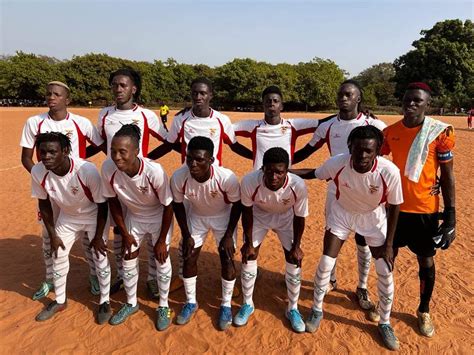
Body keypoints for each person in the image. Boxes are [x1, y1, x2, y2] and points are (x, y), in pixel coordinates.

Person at [292, 125, 402, 350]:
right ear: (350, 147)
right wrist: (286, 170)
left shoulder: (389, 171)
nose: (362, 156)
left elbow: (395, 206)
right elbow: (314, 173)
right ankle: (316, 310)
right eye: (358, 150)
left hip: (373, 219)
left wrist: (389, 244)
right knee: (325, 263)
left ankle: (385, 322)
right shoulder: (338, 163)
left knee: (384, 271)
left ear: (378, 151)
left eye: (369, 151)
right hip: (341, 214)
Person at [293, 80, 387, 317]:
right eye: (340, 94)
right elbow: (308, 150)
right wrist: (282, 163)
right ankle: (330, 280)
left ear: (358, 99)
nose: (343, 98)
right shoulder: (328, 126)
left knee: (363, 242)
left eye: (349, 95)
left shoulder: (374, 124)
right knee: (332, 237)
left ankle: (362, 287)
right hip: (336, 191)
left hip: (366, 194)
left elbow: (385, 157)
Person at [148, 77, 252, 293]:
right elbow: (169, 145)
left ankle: (228, 280)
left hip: (215, 185)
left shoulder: (221, 120)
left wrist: (258, 158)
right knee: (185, 236)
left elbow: (233, 145)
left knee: (224, 242)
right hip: (189, 186)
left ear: (211, 95)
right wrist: (145, 158)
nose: (198, 97)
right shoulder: (181, 120)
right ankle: (180, 275)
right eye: (195, 93)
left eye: (203, 93)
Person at [381, 82, 456, 338]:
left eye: (417, 101)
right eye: (407, 99)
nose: (411, 104)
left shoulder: (439, 133)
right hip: (395, 208)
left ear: (428, 105)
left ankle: (423, 309)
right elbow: (376, 161)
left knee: (425, 260)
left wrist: (451, 215)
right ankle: (385, 306)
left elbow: (447, 176)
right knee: (388, 257)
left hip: (425, 209)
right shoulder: (390, 132)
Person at [20, 81, 105, 301]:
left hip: (77, 189)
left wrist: (82, 164)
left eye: (57, 94)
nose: (51, 97)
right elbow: (26, 158)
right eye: (48, 94)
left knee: (87, 235)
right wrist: (45, 182)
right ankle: (50, 278)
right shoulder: (34, 122)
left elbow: (100, 145)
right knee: (49, 236)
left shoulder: (81, 122)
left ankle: (94, 275)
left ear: (67, 99)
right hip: (51, 190)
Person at [97, 68, 168, 299]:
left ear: (133, 89)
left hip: (140, 182)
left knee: (149, 234)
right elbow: (101, 143)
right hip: (117, 180)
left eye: (123, 85)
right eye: (115, 85)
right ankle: (122, 274)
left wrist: (148, 163)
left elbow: (168, 141)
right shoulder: (104, 114)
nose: (118, 89)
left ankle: (151, 279)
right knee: (120, 231)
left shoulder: (147, 115)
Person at [32, 132, 111, 324]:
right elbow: (44, 204)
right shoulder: (38, 171)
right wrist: (53, 236)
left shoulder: (86, 170)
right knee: (57, 254)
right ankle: (60, 300)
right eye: (42, 152)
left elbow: (102, 205)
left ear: (65, 151)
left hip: (93, 215)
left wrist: (99, 237)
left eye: (52, 152)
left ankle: (105, 301)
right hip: (68, 217)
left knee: (99, 255)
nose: (46, 157)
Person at [101, 124, 174, 329]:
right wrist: (124, 232)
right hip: (134, 217)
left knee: (161, 258)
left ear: (136, 151)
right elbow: (112, 201)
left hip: (159, 216)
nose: (116, 157)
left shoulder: (154, 171)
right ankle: (131, 302)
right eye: (113, 151)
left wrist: (161, 240)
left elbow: (168, 206)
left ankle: (163, 305)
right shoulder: (108, 169)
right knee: (128, 257)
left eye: (122, 152)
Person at [170, 136, 241, 330]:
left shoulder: (226, 177)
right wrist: (186, 235)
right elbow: (177, 205)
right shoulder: (179, 177)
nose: (193, 163)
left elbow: (237, 205)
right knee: (188, 257)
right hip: (197, 217)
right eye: (189, 158)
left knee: (227, 258)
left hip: (222, 218)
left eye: (199, 159)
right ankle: (191, 302)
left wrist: (228, 235)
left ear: (211, 160)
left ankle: (225, 305)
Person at [234, 147, 308, 333]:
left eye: (279, 172)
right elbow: (247, 213)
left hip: (286, 219)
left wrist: (297, 246)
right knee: (249, 256)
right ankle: (247, 303)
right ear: (262, 168)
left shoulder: (297, 185)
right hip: (259, 216)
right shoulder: (250, 181)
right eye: (269, 171)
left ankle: (292, 308)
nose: (274, 176)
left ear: (287, 171)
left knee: (293, 258)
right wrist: (248, 243)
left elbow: (300, 218)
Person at [233, 85, 322, 170]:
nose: (272, 104)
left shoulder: (293, 125)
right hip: (260, 179)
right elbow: (226, 129)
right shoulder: (252, 126)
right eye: (268, 101)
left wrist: (295, 157)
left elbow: (323, 123)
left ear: (281, 106)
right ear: (263, 106)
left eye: (275, 101)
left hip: (284, 181)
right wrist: (252, 155)